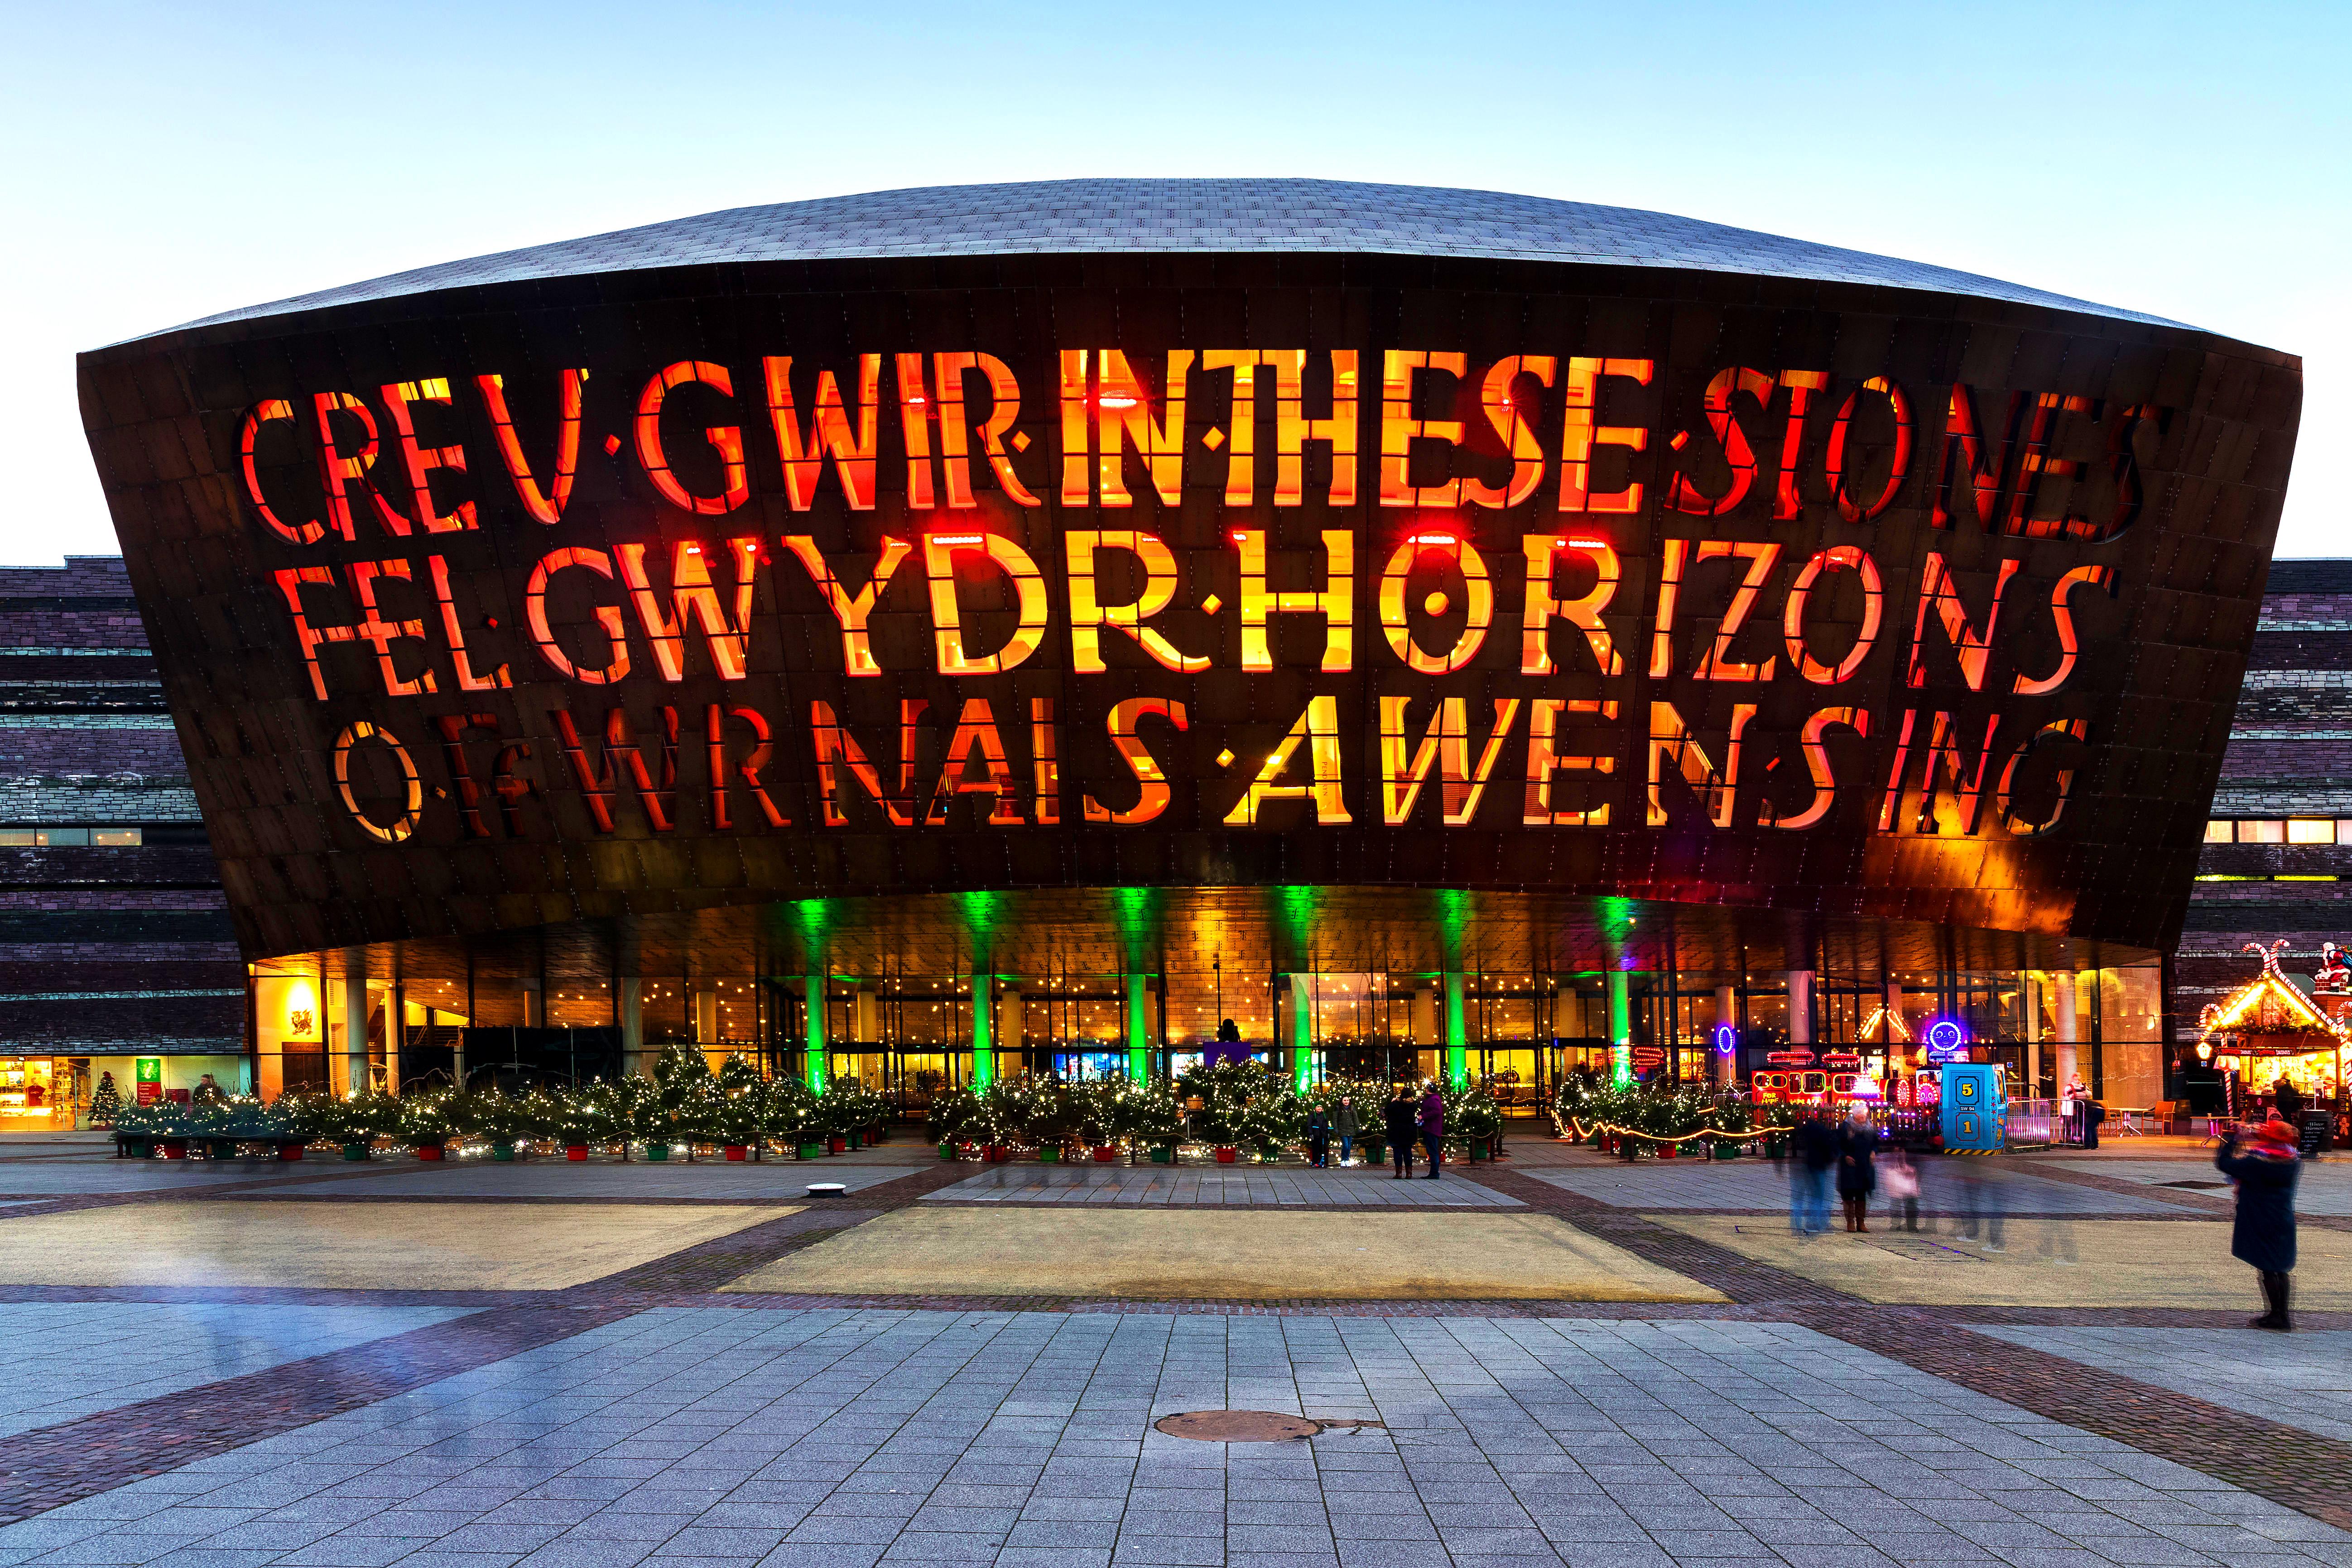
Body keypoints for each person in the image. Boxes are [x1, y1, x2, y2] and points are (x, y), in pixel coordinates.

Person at [2216, 1113, 2301, 1330]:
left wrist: (2232, 1138)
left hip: (2260, 1215)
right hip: (2282, 1215)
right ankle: (2281, 1314)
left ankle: (2277, 1317)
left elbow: (2225, 1163)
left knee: (2267, 1267)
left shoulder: (2258, 1160)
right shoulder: (2292, 1158)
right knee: (2278, 1267)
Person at [1790, 1111, 1835, 1235]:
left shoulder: (1802, 1132)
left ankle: (1798, 1225)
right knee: (1818, 1197)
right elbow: (1828, 1149)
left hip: (1806, 1165)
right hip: (1818, 1165)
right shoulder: (1822, 1132)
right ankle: (1815, 1223)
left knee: (1802, 1198)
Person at [1837, 1110, 1878, 1232]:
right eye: (1861, 1116)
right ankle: (1850, 1222)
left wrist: (1874, 1151)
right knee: (1849, 1194)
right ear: (1855, 1116)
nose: (1863, 1118)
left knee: (1861, 1193)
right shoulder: (1846, 1128)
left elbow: (1875, 1144)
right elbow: (1837, 1145)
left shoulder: (1869, 1129)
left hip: (1864, 1166)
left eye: (1864, 1116)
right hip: (1849, 1167)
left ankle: (1861, 1222)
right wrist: (1845, 1156)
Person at [1881, 1144, 1921, 1231]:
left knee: (1911, 1203)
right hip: (1895, 1177)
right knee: (1896, 1203)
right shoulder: (1892, 1159)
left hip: (1909, 1177)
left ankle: (1911, 1225)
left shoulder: (1910, 1156)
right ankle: (1896, 1224)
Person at [1384, 1087, 1418, 1178]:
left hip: (1396, 1131)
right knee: (1408, 1152)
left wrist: (1393, 1101)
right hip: (1409, 1132)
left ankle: (1399, 1173)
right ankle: (1409, 1173)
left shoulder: (1395, 1104)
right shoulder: (1413, 1105)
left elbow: (1387, 1110)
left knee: (1397, 1152)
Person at [1419, 1082, 1446, 1179]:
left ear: (1428, 1090)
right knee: (1432, 1151)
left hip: (1432, 1129)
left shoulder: (1433, 1099)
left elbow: (1436, 1111)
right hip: (1431, 1128)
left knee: (1433, 1151)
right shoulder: (1432, 1099)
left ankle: (1434, 1173)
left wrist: (1423, 1116)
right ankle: (1433, 1172)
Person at [1334, 1095, 1360, 1167]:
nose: (1346, 1102)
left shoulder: (1352, 1108)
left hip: (1350, 1130)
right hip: (1342, 1130)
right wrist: (1336, 1128)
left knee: (1349, 1146)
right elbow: (1335, 1119)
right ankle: (1343, 1160)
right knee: (1345, 1145)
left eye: (1348, 1100)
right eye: (1345, 1100)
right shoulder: (1338, 1109)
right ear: (1342, 1101)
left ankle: (1347, 1160)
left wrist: (1358, 1128)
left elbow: (1355, 1118)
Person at [1304, 1101, 1332, 1168]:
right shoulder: (1312, 1115)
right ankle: (1316, 1162)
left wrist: (1328, 1132)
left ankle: (1324, 1162)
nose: (1320, 1108)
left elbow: (1326, 1125)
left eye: (1321, 1107)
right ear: (1315, 1108)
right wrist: (1311, 1133)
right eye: (1318, 1107)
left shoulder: (1324, 1115)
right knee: (1316, 1148)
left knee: (1324, 1149)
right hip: (1316, 1134)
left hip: (1323, 1134)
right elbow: (1309, 1125)